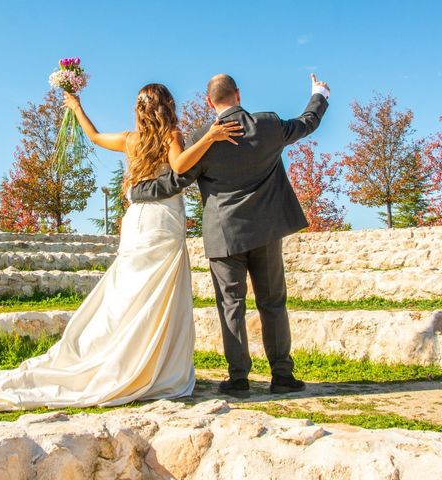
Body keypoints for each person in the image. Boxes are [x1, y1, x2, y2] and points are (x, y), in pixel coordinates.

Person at [0, 83, 242, 412]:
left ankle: (116, 354)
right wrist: (209, 138)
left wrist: (76, 107)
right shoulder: (172, 134)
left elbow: (95, 137)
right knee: (158, 294)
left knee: (129, 292)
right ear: (168, 106)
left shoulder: (131, 140)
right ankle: (152, 365)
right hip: (163, 221)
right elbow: (182, 166)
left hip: (137, 221)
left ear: (139, 110)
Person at [129, 73, 330, 398]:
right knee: (273, 304)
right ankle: (282, 376)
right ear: (238, 94)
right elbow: (307, 122)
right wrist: (319, 93)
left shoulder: (200, 139)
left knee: (231, 306)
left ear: (210, 102)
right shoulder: (268, 125)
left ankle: (238, 380)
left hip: (224, 236)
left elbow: (176, 180)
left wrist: (139, 192)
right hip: (266, 232)